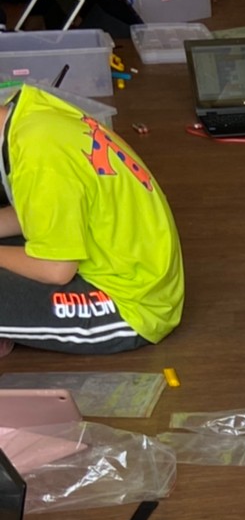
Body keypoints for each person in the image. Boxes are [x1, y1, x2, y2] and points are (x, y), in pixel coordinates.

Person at [0, 84, 183, 356]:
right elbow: (41, 210)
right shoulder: (30, 116)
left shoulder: (40, 159)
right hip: (132, 271)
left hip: (130, 305)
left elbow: (56, 269)